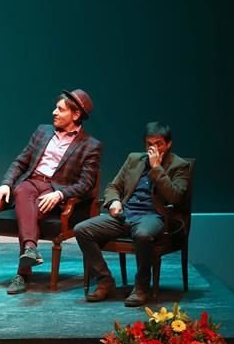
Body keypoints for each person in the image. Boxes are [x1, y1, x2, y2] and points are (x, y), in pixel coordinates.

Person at [0, 89, 102, 294]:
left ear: (75, 115)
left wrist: (60, 194)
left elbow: (86, 183)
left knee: (28, 210)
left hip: (54, 190)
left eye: (60, 109)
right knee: (22, 190)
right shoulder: (42, 131)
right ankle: (31, 250)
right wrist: (6, 183)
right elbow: (21, 162)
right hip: (31, 183)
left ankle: (23, 272)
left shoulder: (90, 145)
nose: (54, 112)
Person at [75, 121, 191, 306]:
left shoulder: (180, 166)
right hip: (126, 213)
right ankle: (105, 280)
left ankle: (141, 287)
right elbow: (114, 186)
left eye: (159, 144)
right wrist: (114, 201)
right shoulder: (134, 159)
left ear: (168, 144)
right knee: (82, 230)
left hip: (154, 216)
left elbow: (175, 197)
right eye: (149, 144)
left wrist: (157, 169)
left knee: (143, 235)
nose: (153, 148)